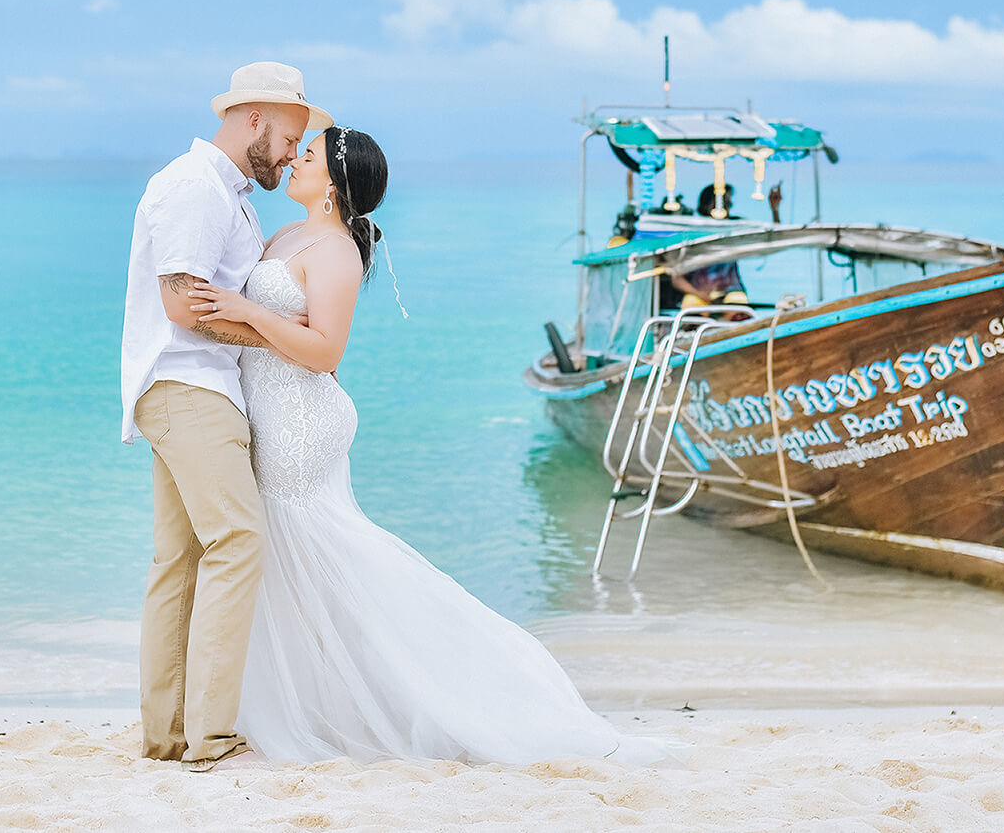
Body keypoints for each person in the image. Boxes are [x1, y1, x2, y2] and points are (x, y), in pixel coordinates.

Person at [188, 127, 665, 766]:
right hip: (276, 411)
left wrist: (248, 314)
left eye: (307, 157)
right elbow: (291, 329)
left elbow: (326, 351)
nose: (294, 160)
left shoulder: (334, 249)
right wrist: (263, 318)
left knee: (322, 561)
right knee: (295, 566)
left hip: (299, 421)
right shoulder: (289, 235)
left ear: (332, 184)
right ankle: (314, 705)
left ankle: (424, 691)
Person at [121, 61, 332, 770]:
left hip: (198, 387)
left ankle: (169, 733)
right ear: (254, 120)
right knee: (239, 542)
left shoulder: (230, 193)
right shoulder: (193, 186)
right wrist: (285, 344)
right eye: (289, 136)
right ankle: (210, 734)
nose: (291, 153)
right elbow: (185, 303)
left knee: (179, 560)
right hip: (190, 387)